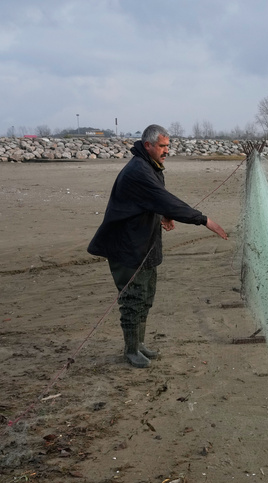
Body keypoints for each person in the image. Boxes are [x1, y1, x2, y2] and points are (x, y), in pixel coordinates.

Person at [88, 124, 227, 368]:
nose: (166, 150)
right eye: (162, 146)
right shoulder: (138, 170)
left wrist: (164, 214)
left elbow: (153, 199)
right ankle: (131, 350)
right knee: (132, 299)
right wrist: (205, 220)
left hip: (145, 244)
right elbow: (163, 198)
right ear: (147, 145)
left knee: (146, 296)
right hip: (127, 247)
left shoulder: (152, 167)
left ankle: (139, 344)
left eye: (168, 146)